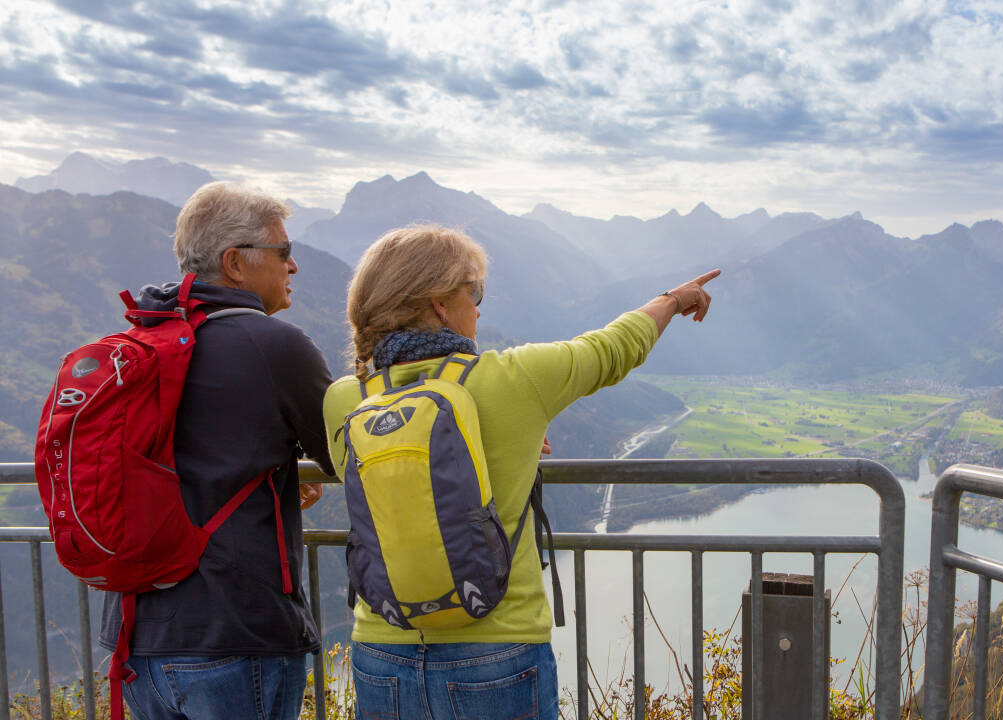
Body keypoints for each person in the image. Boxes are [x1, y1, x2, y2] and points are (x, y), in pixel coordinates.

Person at [323, 225, 718, 720]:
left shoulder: (346, 399)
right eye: (475, 292)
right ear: (441, 303)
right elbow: (615, 347)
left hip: (381, 649)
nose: (480, 308)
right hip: (497, 647)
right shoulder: (514, 379)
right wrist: (674, 299)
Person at [98, 182, 334, 720]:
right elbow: (350, 452)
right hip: (236, 635)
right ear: (234, 263)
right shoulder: (275, 346)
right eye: (284, 253)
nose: (293, 267)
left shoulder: (142, 344)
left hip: (136, 640)